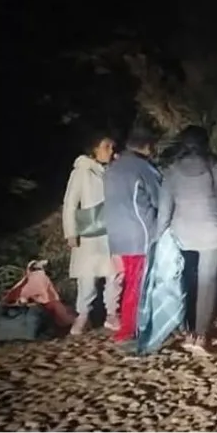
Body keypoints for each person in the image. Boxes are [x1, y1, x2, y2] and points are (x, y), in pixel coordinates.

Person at [155, 125, 217, 355]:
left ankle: (187, 330)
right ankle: (201, 335)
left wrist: (157, 240)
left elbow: (164, 212)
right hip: (211, 232)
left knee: (183, 281)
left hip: (180, 234)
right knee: (207, 282)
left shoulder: (172, 171)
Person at [102, 125, 162, 343]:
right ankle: (129, 328)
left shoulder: (112, 169)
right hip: (141, 233)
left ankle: (134, 325)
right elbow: (160, 199)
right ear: (147, 146)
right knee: (138, 283)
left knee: (130, 280)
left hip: (117, 235)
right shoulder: (143, 168)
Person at [62, 129, 120, 336]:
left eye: (112, 147)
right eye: (106, 147)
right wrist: (70, 232)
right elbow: (70, 203)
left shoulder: (113, 170)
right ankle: (83, 314)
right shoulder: (82, 172)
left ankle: (112, 313)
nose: (110, 151)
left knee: (114, 273)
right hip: (89, 231)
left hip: (112, 229)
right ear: (94, 149)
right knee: (87, 276)